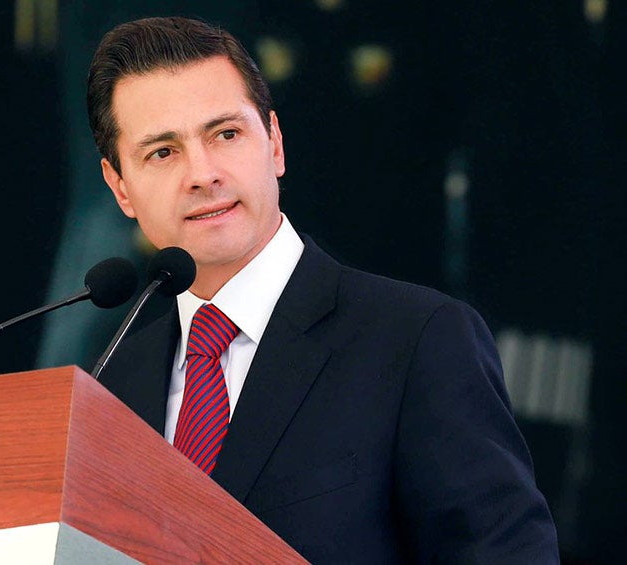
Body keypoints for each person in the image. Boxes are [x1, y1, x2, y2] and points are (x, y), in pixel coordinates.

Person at [87, 16, 559, 563]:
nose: (202, 173)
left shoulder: (416, 340)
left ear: (275, 143)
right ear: (120, 187)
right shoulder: (113, 381)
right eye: (163, 152)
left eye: (226, 134)